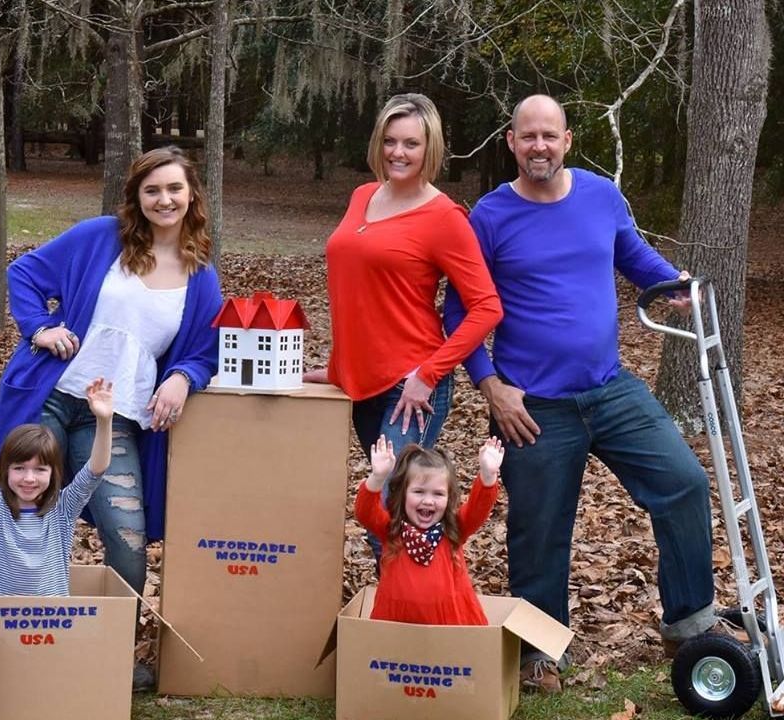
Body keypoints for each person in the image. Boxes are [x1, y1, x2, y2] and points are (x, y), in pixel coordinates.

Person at [444, 94, 731, 693]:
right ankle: (540, 648)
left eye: (550, 135)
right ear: (512, 142)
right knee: (539, 526)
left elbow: (631, 254)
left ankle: (689, 621)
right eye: (528, 137)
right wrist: (491, 387)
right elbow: (458, 313)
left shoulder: (601, 196)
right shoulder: (490, 217)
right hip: (533, 404)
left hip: (610, 389)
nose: (539, 146)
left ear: (568, 140)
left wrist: (666, 282)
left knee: (684, 483)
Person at [0, 146, 223, 690]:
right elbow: (25, 273)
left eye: (174, 189)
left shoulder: (199, 271)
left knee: (129, 537)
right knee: (22, 523)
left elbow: (205, 349)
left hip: (112, 418)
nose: (164, 199)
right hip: (51, 398)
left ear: (191, 196)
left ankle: (113, 652)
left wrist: (182, 377)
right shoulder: (100, 237)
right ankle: (13, 647)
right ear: (137, 195)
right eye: (152, 189)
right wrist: (38, 329)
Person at [306, 91, 502, 469]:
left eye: (411, 143)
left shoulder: (445, 217)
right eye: (390, 141)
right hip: (362, 384)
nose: (398, 152)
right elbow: (361, 293)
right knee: (386, 507)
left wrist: (427, 375)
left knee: (393, 508)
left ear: (430, 149)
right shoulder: (362, 195)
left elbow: (487, 307)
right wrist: (338, 368)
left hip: (411, 385)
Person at [0, 370, 113, 596]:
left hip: (50, 622)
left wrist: (104, 420)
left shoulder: (62, 508)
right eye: (19, 468)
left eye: (40, 470)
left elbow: (96, 468)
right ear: (5, 470)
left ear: (53, 473)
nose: (29, 478)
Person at [355, 435, 502, 625]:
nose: (428, 500)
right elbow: (365, 512)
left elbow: (478, 508)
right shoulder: (391, 530)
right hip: (395, 630)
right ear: (403, 494)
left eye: (438, 494)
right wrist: (377, 477)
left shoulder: (453, 529)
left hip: (449, 629)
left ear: (449, 498)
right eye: (419, 492)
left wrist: (488, 476)